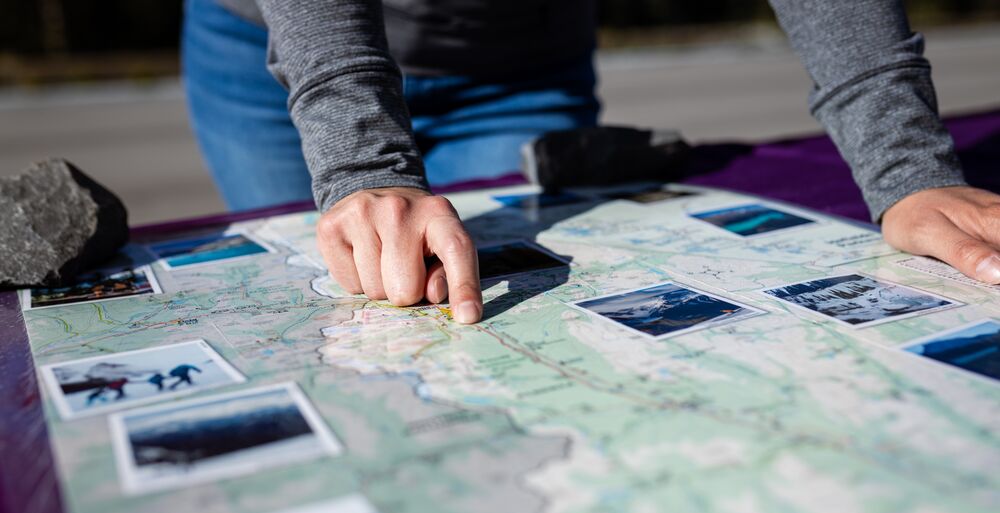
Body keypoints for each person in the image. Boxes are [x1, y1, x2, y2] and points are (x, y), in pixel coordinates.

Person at [183, 0, 1000, 327]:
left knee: (476, 324)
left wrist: (906, 169)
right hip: (268, 44)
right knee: (336, 317)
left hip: (515, 64)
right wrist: (361, 163)